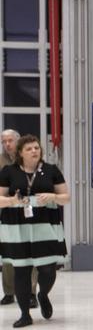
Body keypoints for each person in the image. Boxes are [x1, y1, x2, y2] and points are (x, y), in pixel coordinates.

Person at [0, 135, 70, 328]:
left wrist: (53, 196)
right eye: (29, 148)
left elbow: (66, 197)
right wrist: (12, 201)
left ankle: (43, 294)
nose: (34, 151)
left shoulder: (51, 170)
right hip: (17, 228)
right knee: (21, 270)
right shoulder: (8, 172)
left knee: (48, 269)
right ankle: (24, 314)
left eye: (36, 148)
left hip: (45, 226)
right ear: (20, 153)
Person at [0, 128, 25, 306]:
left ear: (18, 141)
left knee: (29, 251)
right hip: (7, 211)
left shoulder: (26, 158)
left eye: (10, 140)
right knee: (8, 252)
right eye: (3, 141)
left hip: (26, 210)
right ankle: (9, 292)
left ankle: (30, 292)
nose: (7, 144)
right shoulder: (1, 161)